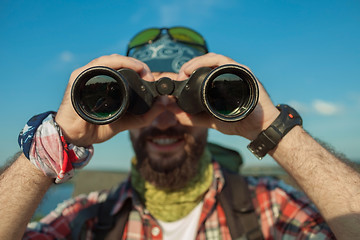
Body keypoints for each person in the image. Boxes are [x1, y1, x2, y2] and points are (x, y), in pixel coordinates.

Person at [0, 27, 359, 240]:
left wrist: (269, 125)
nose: (164, 119)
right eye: (143, 98)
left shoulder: (272, 207)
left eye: (184, 99)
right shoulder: (86, 219)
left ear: (208, 103)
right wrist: (59, 139)